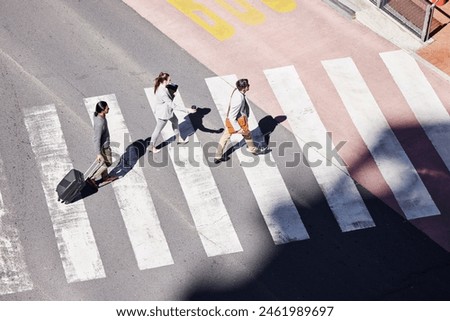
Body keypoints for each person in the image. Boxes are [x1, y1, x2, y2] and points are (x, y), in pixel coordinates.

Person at [214, 78, 264, 164]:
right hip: (237, 122)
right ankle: (252, 149)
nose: (249, 86)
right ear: (244, 88)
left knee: (226, 136)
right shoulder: (238, 99)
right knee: (247, 134)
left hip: (235, 121)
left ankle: (218, 156)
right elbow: (232, 116)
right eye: (248, 85)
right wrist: (238, 129)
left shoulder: (237, 92)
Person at [149, 72, 197, 153]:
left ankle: (179, 139)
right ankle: (151, 146)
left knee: (175, 121)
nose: (170, 82)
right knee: (157, 130)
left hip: (167, 111)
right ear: (164, 81)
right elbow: (172, 105)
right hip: (164, 114)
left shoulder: (163, 86)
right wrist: (188, 110)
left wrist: (173, 93)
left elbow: (169, 100)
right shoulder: (162, 92)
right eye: (169, 80)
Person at [87, 101, 117, 188]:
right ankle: (93, 178)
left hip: (103, 145)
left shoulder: (96, 115)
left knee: (105, 162)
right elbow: (96, 139)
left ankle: (105, 177)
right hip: (104, 146)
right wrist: (98, 154)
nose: (109, 109)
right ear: (103, 110)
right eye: (107, 108)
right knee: (108, 163)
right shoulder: (100, 123)